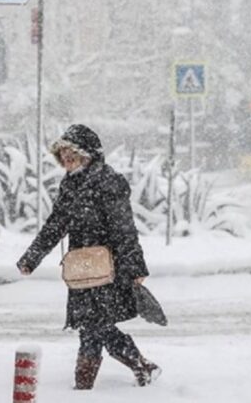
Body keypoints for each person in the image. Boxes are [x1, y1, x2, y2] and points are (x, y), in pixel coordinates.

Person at [16, 124, 161, 390]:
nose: (67, 159)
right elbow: (56, 225)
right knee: (93, 325)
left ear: (88, 154)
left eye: (72, 153)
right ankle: (138, 366)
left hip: (108, 267)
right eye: (63, 154)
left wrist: (135, 266)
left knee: (94, 326)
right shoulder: (70, 185)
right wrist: (31, 258)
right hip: (81, 268)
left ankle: (85, 386)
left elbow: (124, 228)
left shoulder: (108, 182)